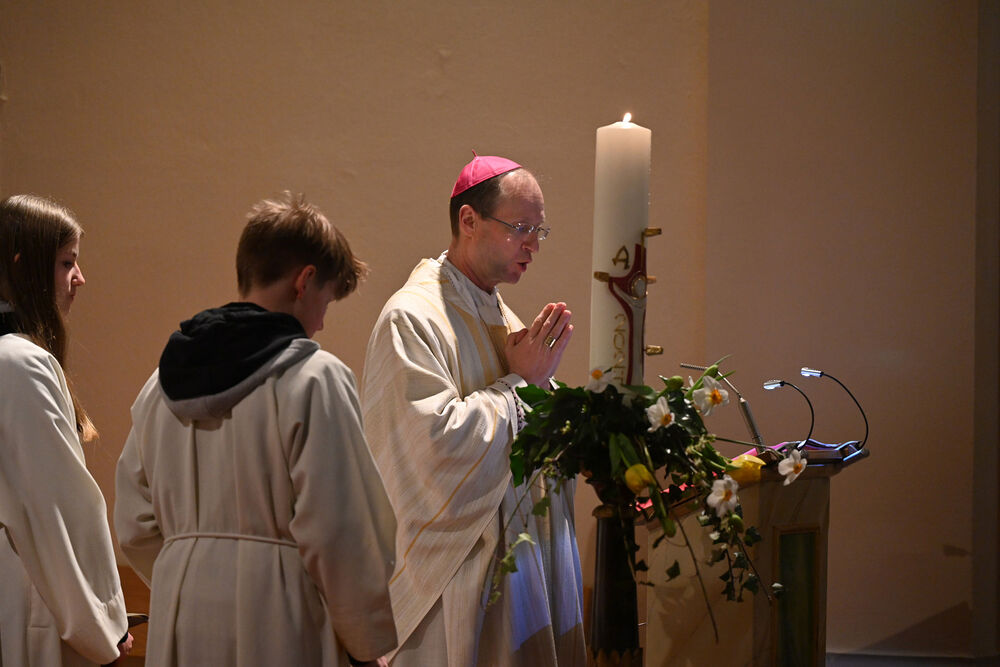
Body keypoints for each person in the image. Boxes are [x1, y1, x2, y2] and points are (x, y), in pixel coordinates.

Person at [114, 193, 397, 667]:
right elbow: (339, 531)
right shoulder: (315, 378)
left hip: (183, 614)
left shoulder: (160, 385)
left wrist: (190, 567)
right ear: (305, 281)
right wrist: (365, 646)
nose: (321, 323)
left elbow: (134, 524)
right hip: (281, 615)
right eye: (327, 300)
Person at [362, 155, 586, 666]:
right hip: (453, 582)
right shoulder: (412, 317)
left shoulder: (501, 314)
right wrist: (521, 385)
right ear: (469, 220)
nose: (533, 245)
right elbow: (433, 449)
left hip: (521, 575)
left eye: (539, 231)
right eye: (521, 228)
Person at [0, 194, 132, 666]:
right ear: (24, 266)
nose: (80, 277)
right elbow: (59, 507)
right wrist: (104, 623)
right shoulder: (18, 362)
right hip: (32, 592)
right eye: (66, 262)